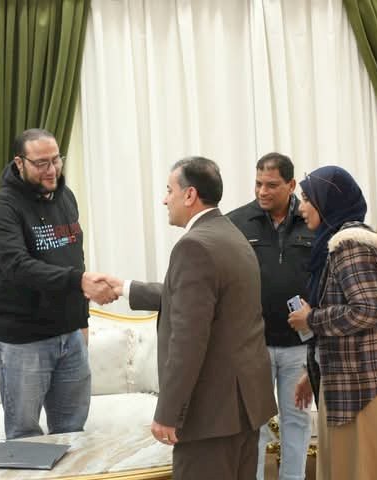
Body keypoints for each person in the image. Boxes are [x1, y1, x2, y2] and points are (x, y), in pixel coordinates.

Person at [106, 157, 276, 480]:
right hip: (243, 408)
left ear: (190, 195)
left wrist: (168, 412)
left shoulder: (194, 246)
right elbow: (199, 302)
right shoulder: (232, 235)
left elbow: (189, 340)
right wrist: (124, 288)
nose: (164, 199)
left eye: (169, 190)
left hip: (210, 416)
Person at [288, 166, 377, 480]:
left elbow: (366, 310)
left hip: (368, 391)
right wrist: (312, 369)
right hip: (359, 386)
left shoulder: (349, 246)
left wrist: (310, 318)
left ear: (327, 202)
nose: (300, 209)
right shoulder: (341, 244)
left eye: (307, 199)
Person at [0, 128, 116, 440]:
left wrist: (81, 321)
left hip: (70, 336)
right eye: (41, 163)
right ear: (20, 163)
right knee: (25, 437)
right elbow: (18, 267)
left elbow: (74, 258)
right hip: (23, 340)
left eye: (56, 160)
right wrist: (79, 281)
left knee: (72, 433)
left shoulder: (66, 197)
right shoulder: (2, 208)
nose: (52, 169)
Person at [227, 152, 313, 480]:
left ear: (291, 185)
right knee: (254, 426)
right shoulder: (236, 222)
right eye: (258, 183)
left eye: (272, 185)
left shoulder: (311, 220)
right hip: (254, 345)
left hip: (299, 346)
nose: (263, 191)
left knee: (297, 421)